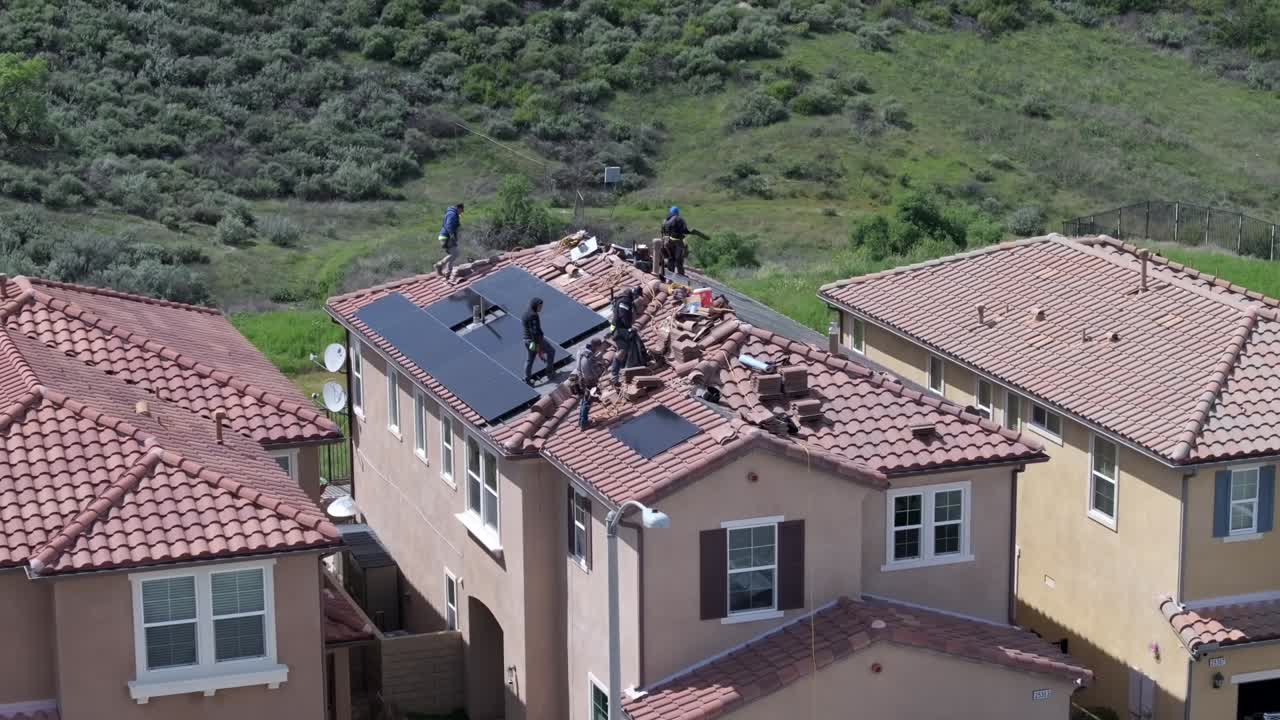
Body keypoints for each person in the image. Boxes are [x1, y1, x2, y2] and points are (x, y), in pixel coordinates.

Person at [522, 297, 555, 384]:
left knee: (530, 359)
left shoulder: (526, 313)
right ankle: (550, 373)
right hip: (535, 340)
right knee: (551, 351)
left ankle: (527, 380)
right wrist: (539, 350)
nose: (541, 308)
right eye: (540, 306)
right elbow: (535, 332)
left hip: (526, 340)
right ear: (535, 306)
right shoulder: (533, 315)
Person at [575, 338, 606, 429]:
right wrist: (601, 369)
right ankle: (584, 423)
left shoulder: (581, 351)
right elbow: (590, 373)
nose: (598, 349)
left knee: (585, 400)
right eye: (598, 347)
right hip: (589, 381)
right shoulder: (589, 357)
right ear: (595, 346)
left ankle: (581, 420)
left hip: (581, 379)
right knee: (588, 401)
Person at [434, 203, 465, 277]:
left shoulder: (451, 213)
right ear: (459, 208)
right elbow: (449, 225)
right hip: (447, 237)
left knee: (453, 254)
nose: (461, 212)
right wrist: (452, 235)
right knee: (455, 253)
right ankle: (439, 265)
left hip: (445, 236)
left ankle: (448, 272)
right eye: (461, 210)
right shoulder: (452, 214)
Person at [661, 206, 690, 276]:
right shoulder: (679, 219)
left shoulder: (665, 221)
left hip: (666, 242)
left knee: (671, 259)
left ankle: (670, 275)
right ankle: (681, 276)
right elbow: (685, 230)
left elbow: (662, 232)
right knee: (679, 260)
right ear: (677, 212)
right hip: (677, 242)